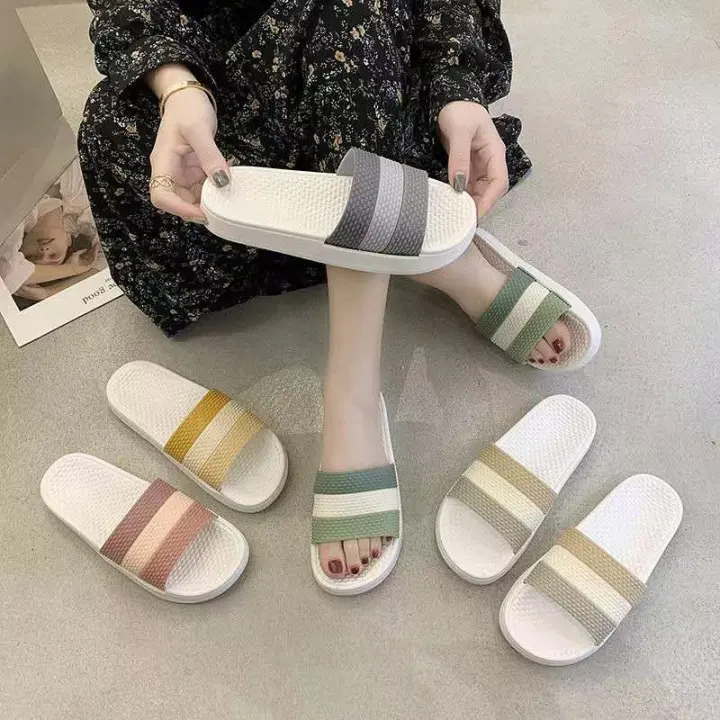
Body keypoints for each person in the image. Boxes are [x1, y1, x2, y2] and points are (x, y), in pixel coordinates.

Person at [78, 0, 571, 581]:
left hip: (375, 54)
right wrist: (177, 85)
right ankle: (425, 254)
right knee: (113, 124)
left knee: (352, 28)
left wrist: (458, 87)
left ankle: (351, 394)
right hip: (224, 69)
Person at [0, 163, 100, 303]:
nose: (43, 251)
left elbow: (7, 274)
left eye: (32, 256)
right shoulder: (89, 215)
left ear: (21, 247)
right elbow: (111, 261)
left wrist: (48, 293)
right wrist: (71, 270)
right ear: (69, 241)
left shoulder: (12, 218)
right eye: (54, 255)